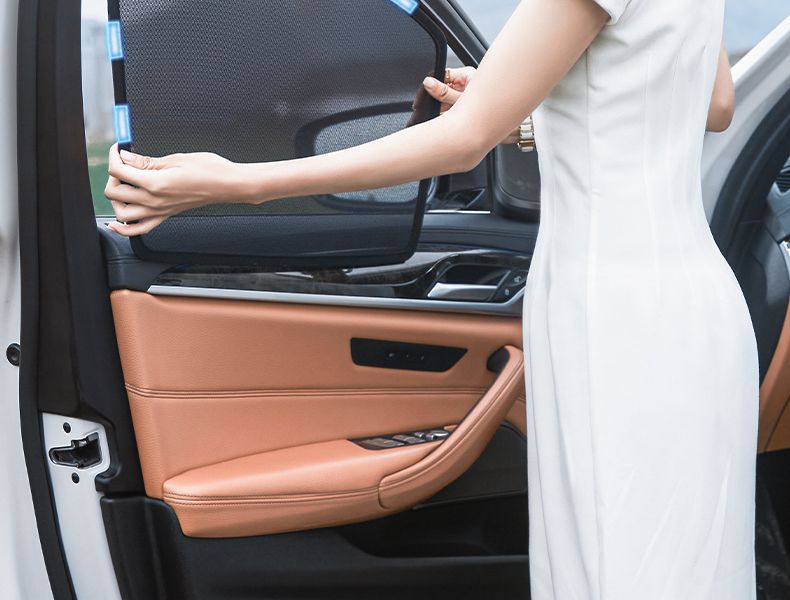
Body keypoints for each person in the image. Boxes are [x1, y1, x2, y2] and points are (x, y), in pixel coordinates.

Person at [105, 1, 755, 598]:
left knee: (618, 562)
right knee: (680, 559)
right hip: (692, 296)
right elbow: (714, 103)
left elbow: (463, 140)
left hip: (611, 307)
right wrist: (531, 103)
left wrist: (236, 183)